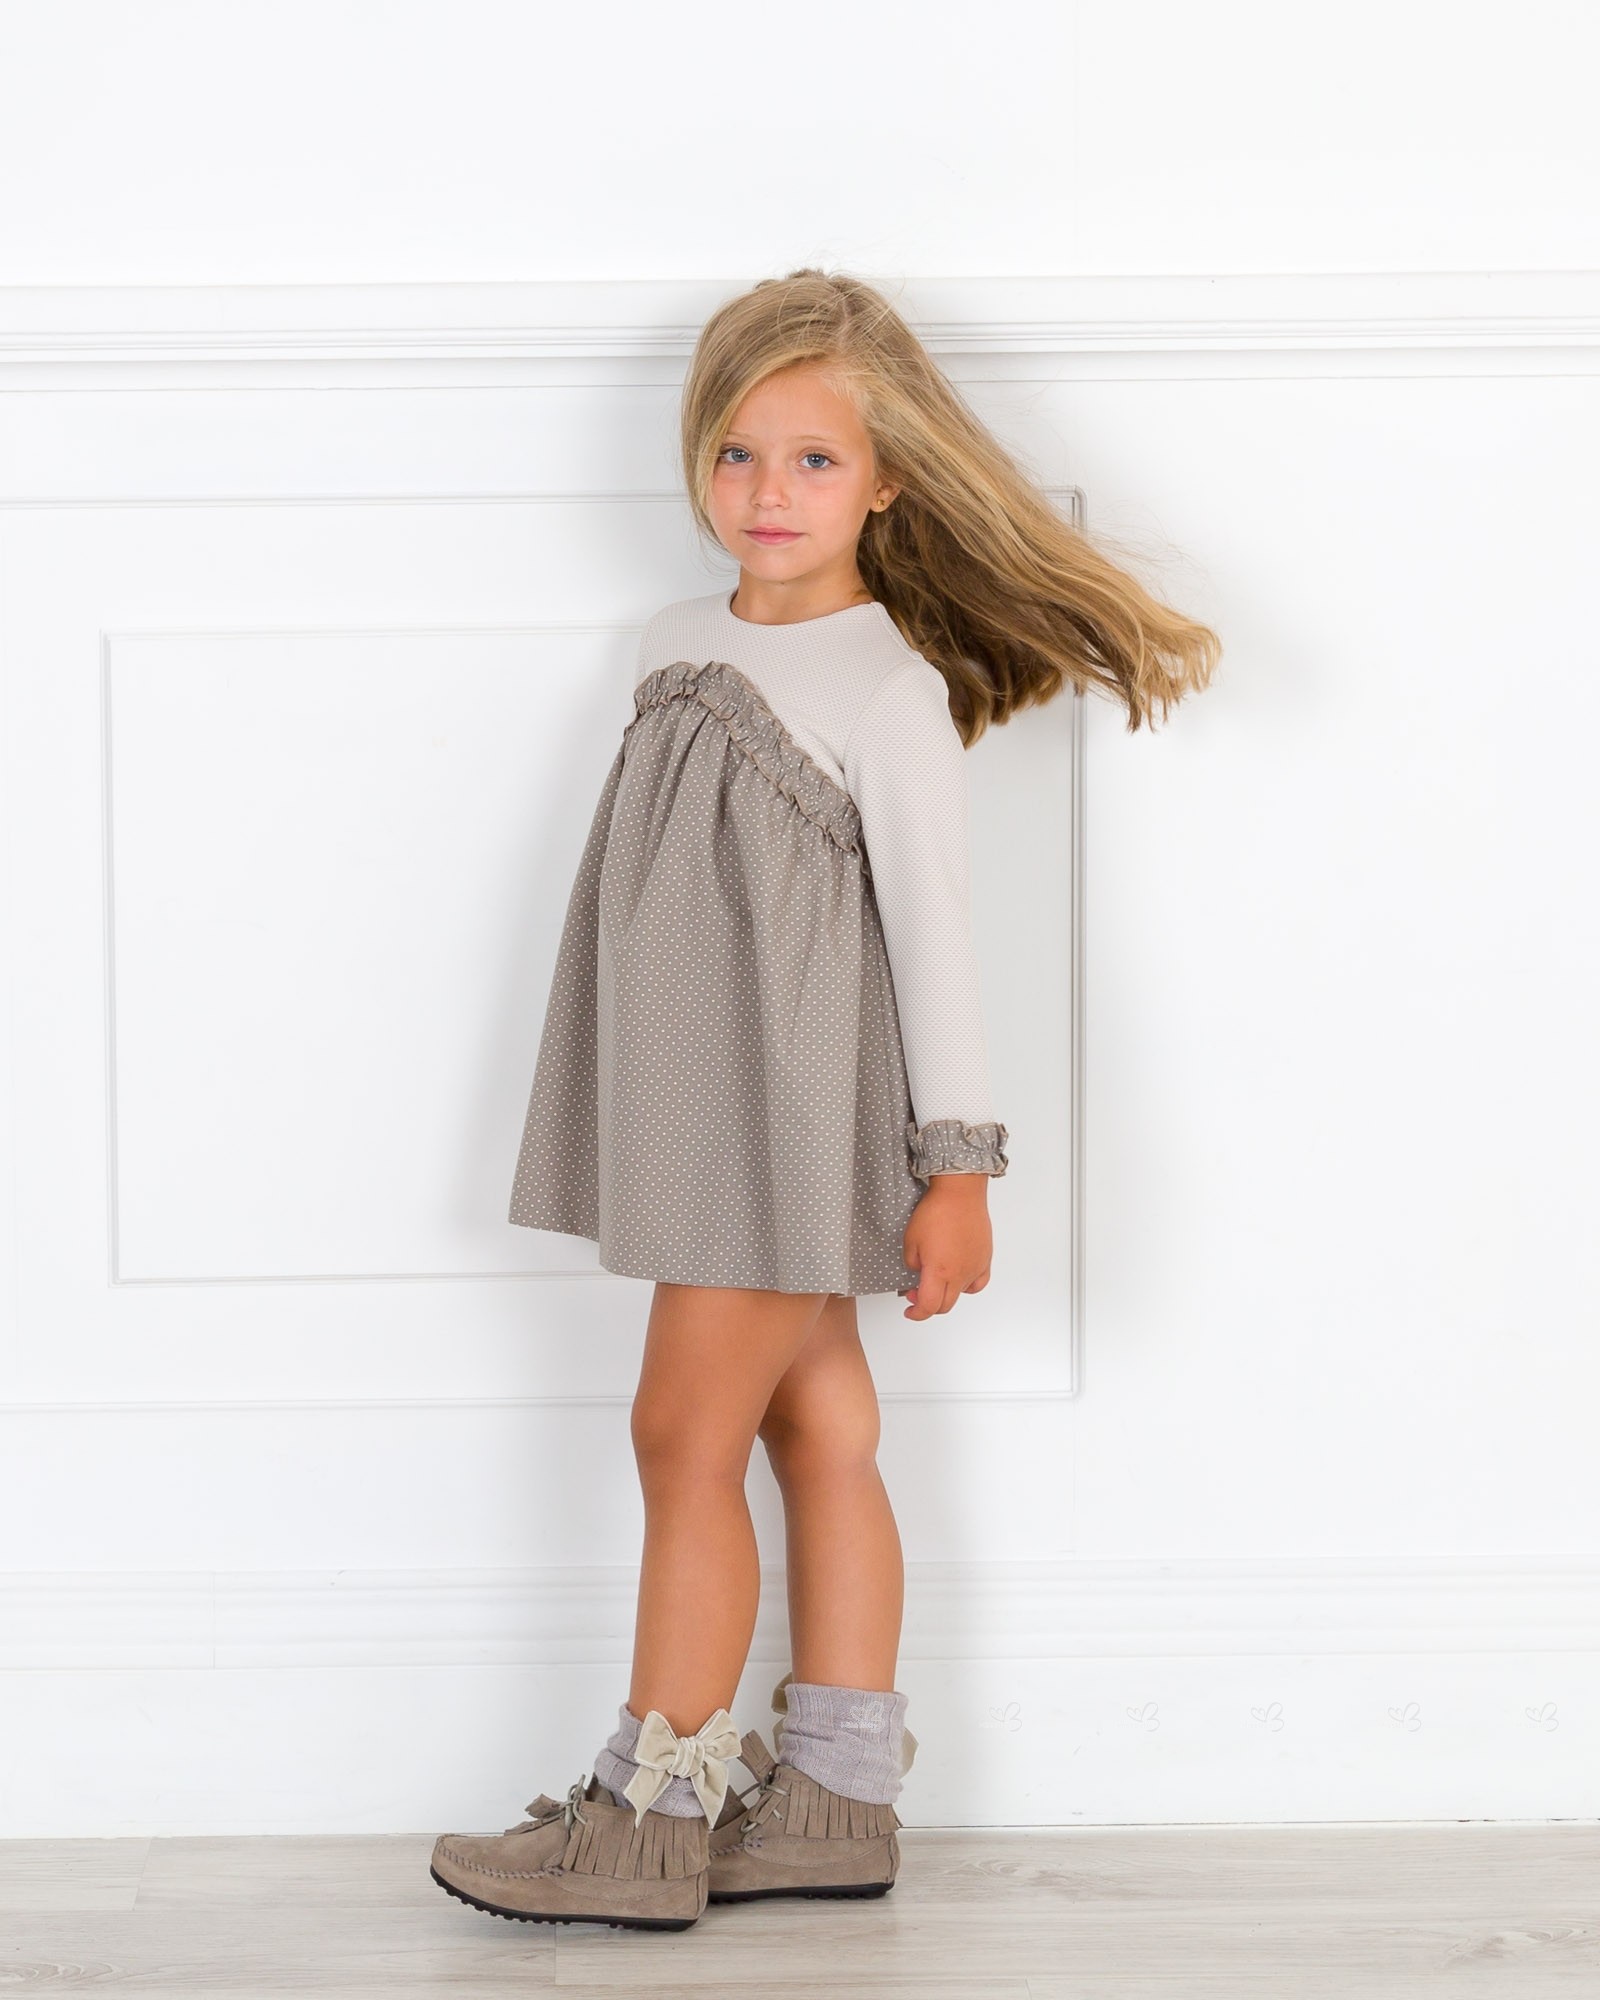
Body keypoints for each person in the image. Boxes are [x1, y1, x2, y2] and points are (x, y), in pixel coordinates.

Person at [430, 268, 1220, 1930]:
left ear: (886, 482)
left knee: (679, 1436)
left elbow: (936, 940)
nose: (767, 492)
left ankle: (644, 1818)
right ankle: (836, 1799)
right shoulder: (668, 645)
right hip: (693, 1098)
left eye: (813, 459)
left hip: (785, 1126)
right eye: (736, 453)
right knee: (818, 1426)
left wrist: (959, 1169)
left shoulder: (886, 688)